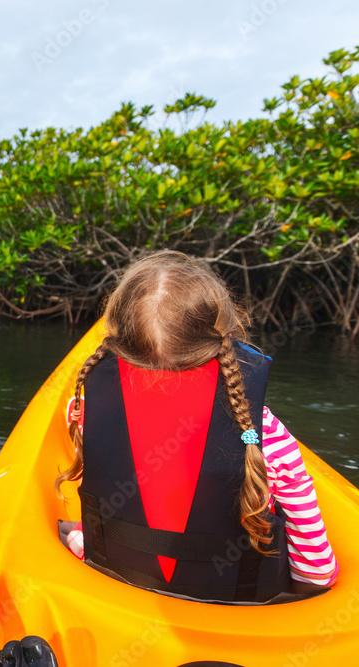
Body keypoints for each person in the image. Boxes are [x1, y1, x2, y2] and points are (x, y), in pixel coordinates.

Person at [56, 251, 337, 604]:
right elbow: (317, 574)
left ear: (118, 341)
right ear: (227, 336)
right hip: (238, 600)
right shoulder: (262, 433)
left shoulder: (83, 411)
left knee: (77, 532)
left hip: (118, 575)